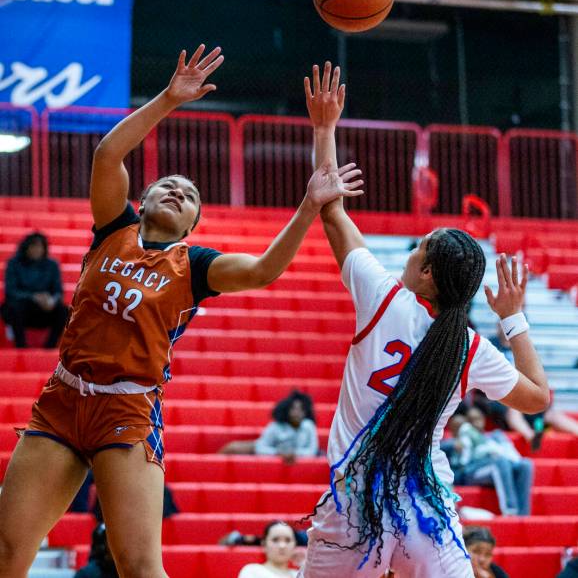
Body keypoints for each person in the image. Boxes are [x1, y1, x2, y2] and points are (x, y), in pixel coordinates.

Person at [0, 45, 364, 578]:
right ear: (141, 202)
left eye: (188, 195)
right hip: (62, 397)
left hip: (125, 411)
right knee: (8, 550)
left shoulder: (193, 266)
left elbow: (263, 270)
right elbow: (107, 155)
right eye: (166, 186)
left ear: (192, 225)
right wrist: (170, 99)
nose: (177, 190)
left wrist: (309, 206)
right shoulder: (113, 231)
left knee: (140, 567)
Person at [296, 61, 550, 578]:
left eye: (418, 250)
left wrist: (324, 128)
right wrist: (515, 319)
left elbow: (332, 211)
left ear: (427, 274)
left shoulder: (383, 298)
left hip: (355, 510)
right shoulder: (468, 346)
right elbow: (538, 399)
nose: (409, 254)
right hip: (424, 513)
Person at [455, 407, 533, 516]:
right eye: (472, 420)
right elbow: (462, 461)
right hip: (472, 472)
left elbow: (514, 456)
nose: (476, 422)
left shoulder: (495, 436)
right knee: (500, 462)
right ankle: (510, 511)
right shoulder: (463, 437)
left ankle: (523, 515)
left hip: (498, 466)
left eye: (478, 419)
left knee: (525, 464)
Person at [1, 232, 68, 348]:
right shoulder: (14, 264)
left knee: (64, 311)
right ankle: (21, 346)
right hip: (21, 309)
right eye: (33, 246)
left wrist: (51, 301)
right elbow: (11, 291)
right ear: (26, 248)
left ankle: (50, 347)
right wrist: (33, 297)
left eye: (40, 247)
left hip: (44, 310)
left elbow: (58, 291)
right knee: (12, 307)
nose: (37, 250)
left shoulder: (52, 265)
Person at [220, 390, 319, 462]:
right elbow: (261, 447)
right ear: (287, 409)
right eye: (294, 409)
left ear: (306, 412)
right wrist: (278, 453)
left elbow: (312, 451)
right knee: (232, 448)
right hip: (267, 451)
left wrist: (294, 454)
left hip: (290, 457)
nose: (297, 413)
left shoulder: (309, 426)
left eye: (301, 409)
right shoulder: (276, 425)